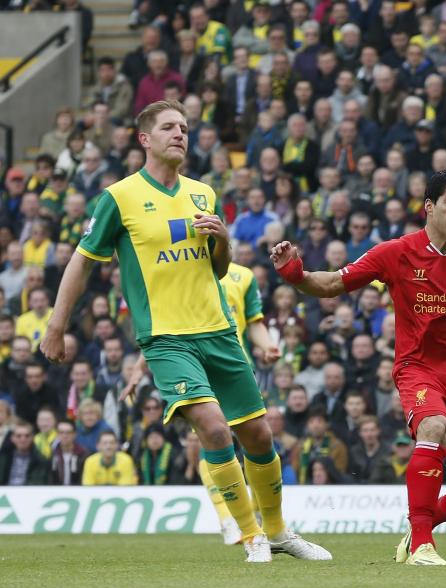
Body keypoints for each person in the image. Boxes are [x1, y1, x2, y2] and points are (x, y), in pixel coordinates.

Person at [41, 100, 328, 564]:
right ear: (145, 139)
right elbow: (81, 261)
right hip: (166, 338)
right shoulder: (119, 197)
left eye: (185, 128)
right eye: (170, 127)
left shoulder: (203, 193)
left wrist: (223, 240)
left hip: (218, 331)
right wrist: (57, 326)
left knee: (257, 435)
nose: (180, 134)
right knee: (214, 429)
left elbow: (219, 270)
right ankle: (252, 535)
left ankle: (277, 532)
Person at [271, 171, 446, 566]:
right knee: (433, 425)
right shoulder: (396, 252)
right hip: (419, 370)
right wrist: (294, 274)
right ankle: (421, 545)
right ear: (429, 206)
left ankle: (422, 524)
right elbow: (333, 283)